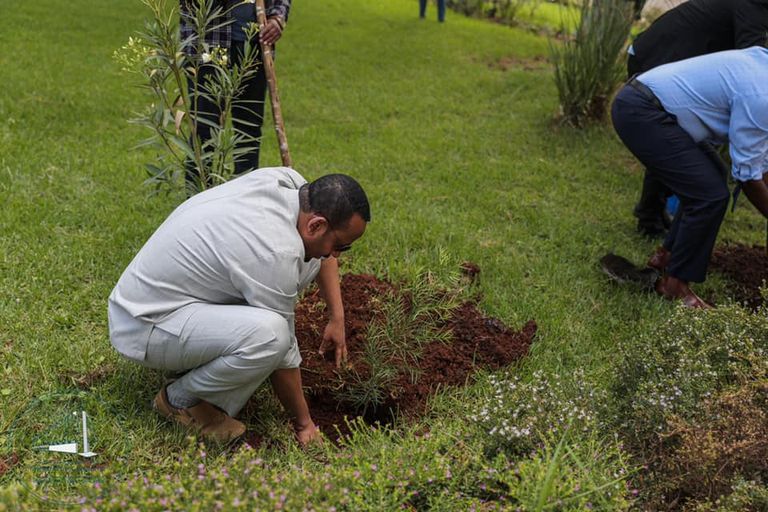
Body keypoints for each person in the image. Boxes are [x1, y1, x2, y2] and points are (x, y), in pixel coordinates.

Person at [108, 168, 371, 443]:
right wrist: (304, 424)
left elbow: (323, 255)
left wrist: (337, 317)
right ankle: (181, 401)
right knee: (272, 336)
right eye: (341, 246)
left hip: (163, 299)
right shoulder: (275, 251)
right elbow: (285, 355)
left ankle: (202, 371)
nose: (337, 254)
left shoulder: (289, 183)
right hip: (145, 323)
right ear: (315, 225)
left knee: (313, 255)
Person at [612, 47, 768, 308]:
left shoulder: (762, 67)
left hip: (653, 108)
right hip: (643, 112)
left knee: (713, 177)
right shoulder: (762, 95)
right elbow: (748, 175)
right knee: (709, 196)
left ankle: (666, 257)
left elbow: (760, 160)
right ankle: (674, 285)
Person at [625, 0, 768, 237]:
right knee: (674, 141)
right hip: (656, 58)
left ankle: (658, 213)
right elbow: (754, 65)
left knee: (684, 144)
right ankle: (650, 218)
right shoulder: (754, 5)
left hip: (665, 56)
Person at [180, 0, 291, 189]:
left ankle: (243, 199)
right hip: (207, 43)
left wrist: (277, 17)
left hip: (255, 42)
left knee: (248, 130)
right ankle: (197, 199)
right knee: (204, 128)